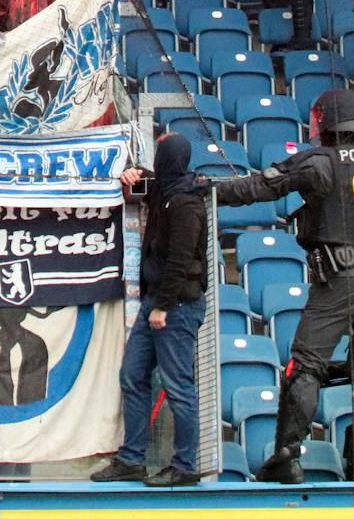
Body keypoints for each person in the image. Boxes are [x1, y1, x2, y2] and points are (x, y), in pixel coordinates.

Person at [204, 90, 354, 483]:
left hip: (339, 277)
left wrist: (205, 188)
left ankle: (288, 456)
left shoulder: (319, 161)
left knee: (306, 365)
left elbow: (258, 189)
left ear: (327, 122)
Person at [92, 132, 208, 487]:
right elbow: (144, 180)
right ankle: (132, 459)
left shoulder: (186, 204)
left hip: (175, 305)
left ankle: (185, 465)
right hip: (154, 301)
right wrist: (134, 173)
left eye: (161, 154)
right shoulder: (165, 189)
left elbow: (181, 262)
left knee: (178, 386)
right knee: (132, 374)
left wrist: (163, 307)